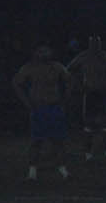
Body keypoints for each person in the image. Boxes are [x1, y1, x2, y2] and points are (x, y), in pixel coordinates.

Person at [13, 44, 71, 180]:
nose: (44, 54)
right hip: (38, 108)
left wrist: (64, 100)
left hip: (54, 107)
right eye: (41, 51)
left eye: (46, 51)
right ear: (35, 53)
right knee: (36, 140)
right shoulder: (29, 68)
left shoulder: (57, 67)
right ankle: (32, 172)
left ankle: (63, 169)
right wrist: (27, 103)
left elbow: (69, 80)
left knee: (58, 140)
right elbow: (16, 83)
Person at [68, 36, 106, 160]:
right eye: (93, 43)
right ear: (89, 44)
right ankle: (88, 153)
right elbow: (69, 69)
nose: (96, 45)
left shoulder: (105, 56)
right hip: (90, 93)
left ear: (100, 44)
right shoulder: (84, 56)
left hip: (103, 93)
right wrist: (79, 84)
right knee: (89, 125)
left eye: (98, 43)